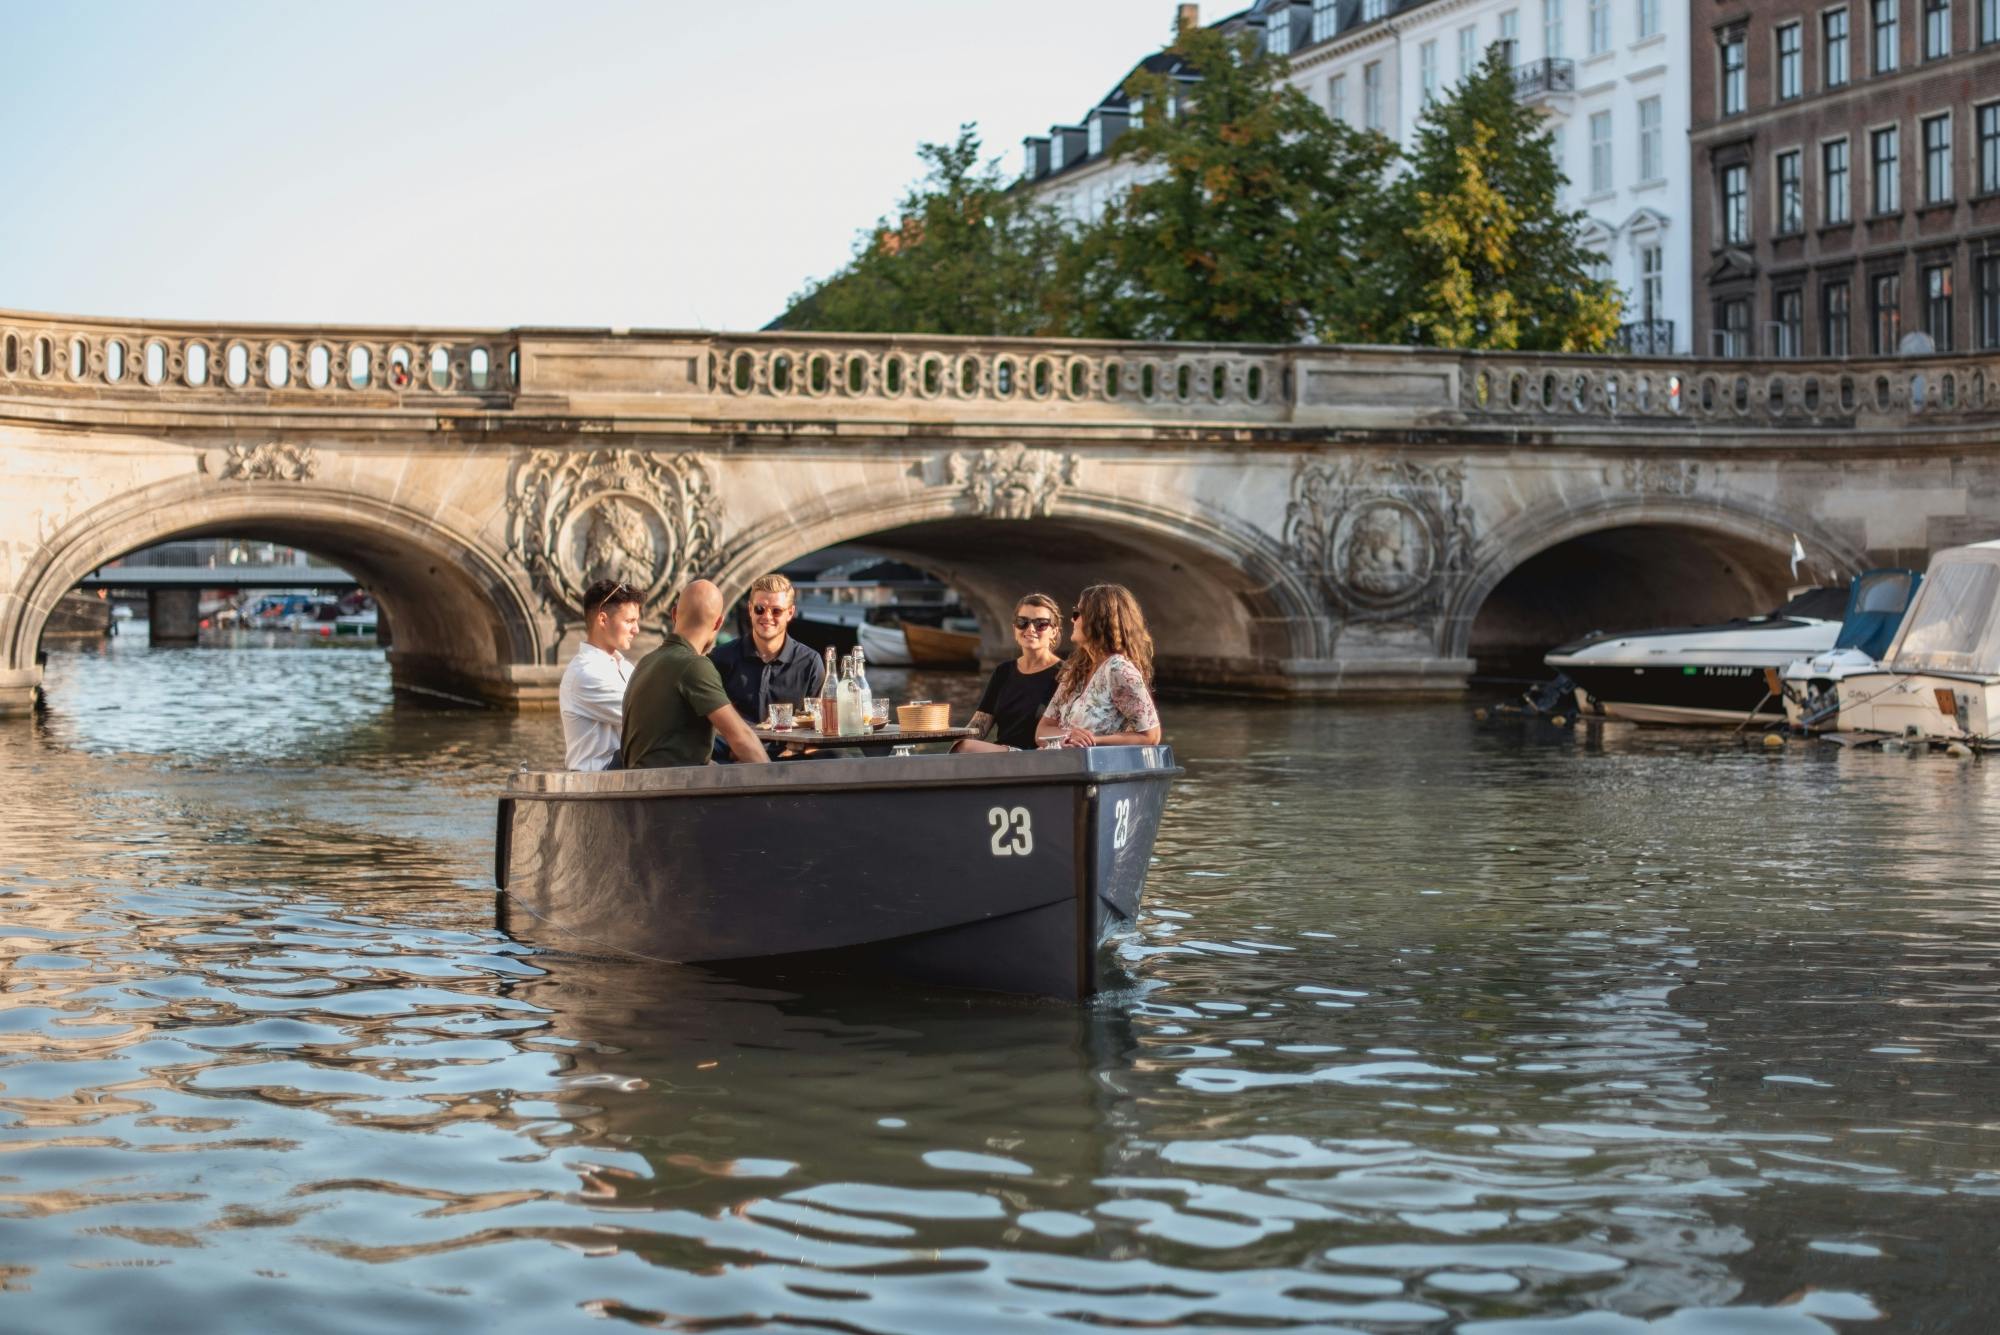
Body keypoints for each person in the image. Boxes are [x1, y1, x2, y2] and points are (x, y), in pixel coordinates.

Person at [621, 579, 770, 768]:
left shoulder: (647, 661)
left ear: (674, 614)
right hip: (672, 793)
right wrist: (780, 789)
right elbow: (741, 738)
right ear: (718, 623)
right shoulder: (694, 665)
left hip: (644, 787)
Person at [709, 573, 826, 758]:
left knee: (837, 756)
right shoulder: (721, 657)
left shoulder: (810, 662)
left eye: (776, 611)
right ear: (750, 609)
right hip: (732, 756)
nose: (767, 616)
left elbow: (819, 727)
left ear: (790, 613)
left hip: (789, 758)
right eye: (760, 609)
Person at [1037, 584, 1163, 748]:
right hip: (1065, 764)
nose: (1072, 619)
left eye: (1077, 613)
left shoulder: (1118, 669)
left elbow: (1151, 736)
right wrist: (1068, 736)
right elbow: (1042, 731)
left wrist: (1092, 741)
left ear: (1098, 620)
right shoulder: (1075, 670)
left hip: (1095, 767)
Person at [953, 593, 1065, 753]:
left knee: (965, 747)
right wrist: (954, 743)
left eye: (1041, 624)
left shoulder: (1065, 673)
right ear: (1014, 629)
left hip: (1038, 756)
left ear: (1054, 631)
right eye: (1022, 622)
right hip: (1003, 755)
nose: (1030, 629)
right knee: (961, 745)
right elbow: (979, 726)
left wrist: (963, 748)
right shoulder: (1003, 671)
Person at [559, 577, 643, 771]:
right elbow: (645, 717)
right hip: (599, 776)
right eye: (630, 621)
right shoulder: (585, 672)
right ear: (603, 619)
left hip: (622, 768)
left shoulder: (625, 666)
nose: (636, 630)